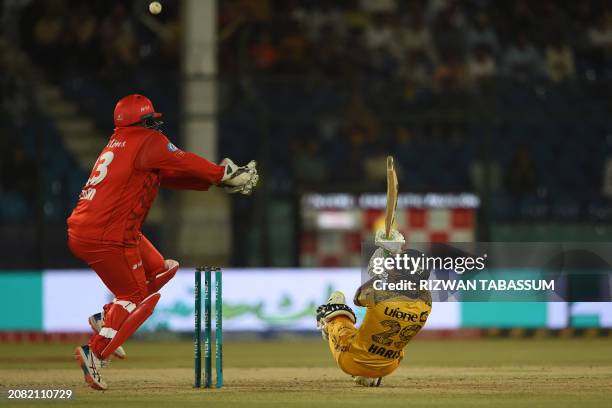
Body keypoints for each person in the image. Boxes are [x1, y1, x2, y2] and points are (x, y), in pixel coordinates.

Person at [68, 94, 258, 390]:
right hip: (109, 234)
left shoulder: (121, 142)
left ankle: (106, 319)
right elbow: (183, 160)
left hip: (98, 229)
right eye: (151, 120)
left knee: (162, 269)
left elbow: (168, 175)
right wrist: (223, 173)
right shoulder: (147, 141)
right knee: (137, 297)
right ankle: (96, 352)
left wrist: (215, 182)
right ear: (144, 121)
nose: (156, 125)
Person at [316, 229, 431, 387]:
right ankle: (373, 376)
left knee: (335, 306)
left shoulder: (378, 297)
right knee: (389, 339)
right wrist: (393, 260)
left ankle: (327, 326)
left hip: (351, 362)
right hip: (388, 366)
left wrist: (381, 266)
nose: (391, 268)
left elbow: (357, 298)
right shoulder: (426, 302)